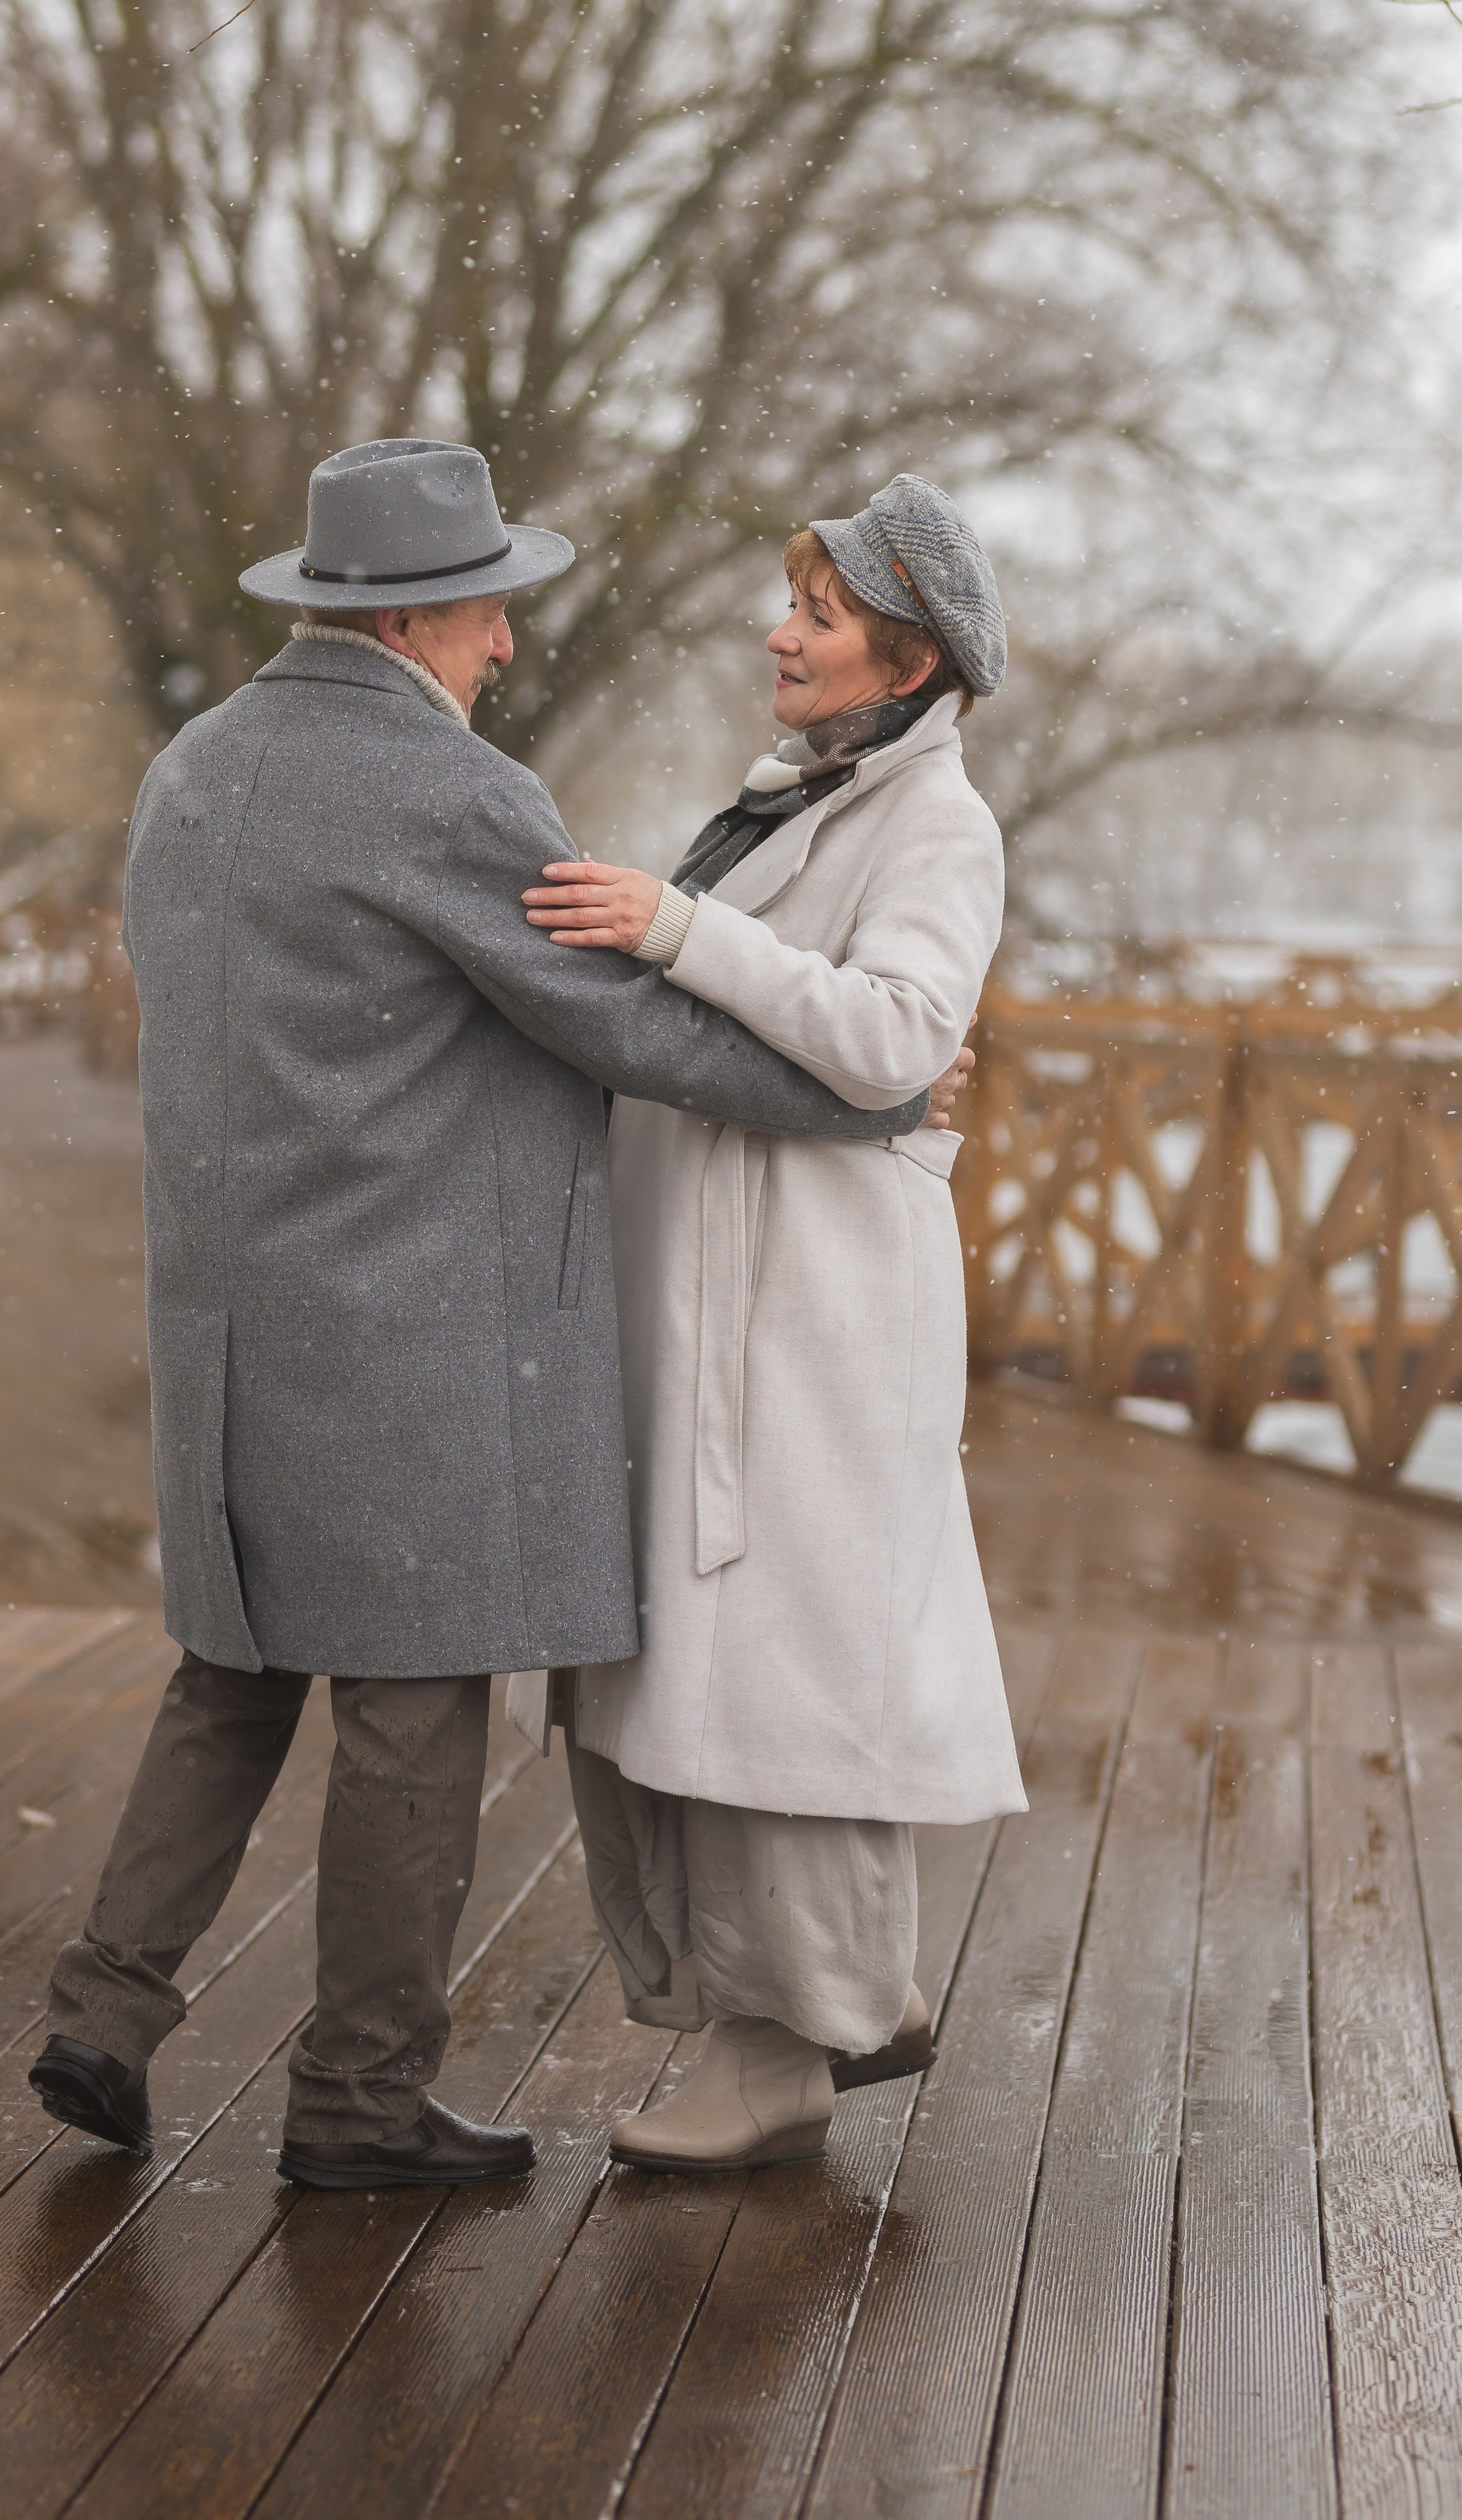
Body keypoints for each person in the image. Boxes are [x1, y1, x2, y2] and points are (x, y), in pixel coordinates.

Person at [28, 439, 966, 2193]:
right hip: (404, 1342)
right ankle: (359, 2109)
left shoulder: (192, 773)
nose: (508, 650)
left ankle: (104, 2012)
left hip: (225, 1329)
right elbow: (617, 1025)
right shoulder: (445, 796)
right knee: (409, 1723)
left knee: (227, 1679)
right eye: (488, 611)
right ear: (415, 615)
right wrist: (872, 1101)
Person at [519, 473, 1027, 2175]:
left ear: (900, 657)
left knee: (772, 1679)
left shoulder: (934, 823)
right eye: (786, 604)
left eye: (810, 615)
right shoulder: (793, 801)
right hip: (718, 1300)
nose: (775, 634)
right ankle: (826, 2005)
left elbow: (888, 1039)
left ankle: (786, 2043)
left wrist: (675, 927)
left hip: (803, 1317)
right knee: (705, 1664)